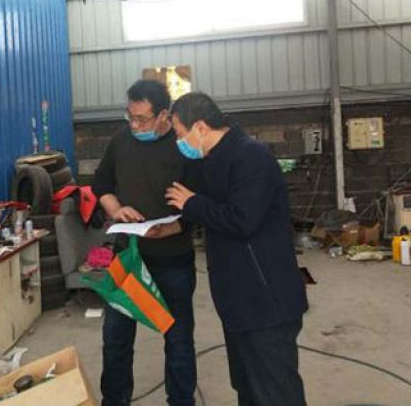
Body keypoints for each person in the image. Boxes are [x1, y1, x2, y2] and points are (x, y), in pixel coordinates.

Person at [165, 92, 308, 406]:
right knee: (248, 387)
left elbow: (242, 220)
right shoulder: (213, 160)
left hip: (265, 299)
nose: (178, 142)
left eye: (179, 134)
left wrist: (193, 203)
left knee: (275, 393)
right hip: (239, 301)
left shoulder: (251, 156)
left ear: (200, 127)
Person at [92, 79, 197, 406]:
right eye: (130, 117)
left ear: (164, 115)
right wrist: (116, 209)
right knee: (115, 339)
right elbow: (101, 184)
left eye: (142, 119)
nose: (134, 125)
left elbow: (200, 205)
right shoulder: (121, 140)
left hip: (173, 260)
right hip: (128, 258)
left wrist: (168, 229)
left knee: (178, 340)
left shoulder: (184, 145)